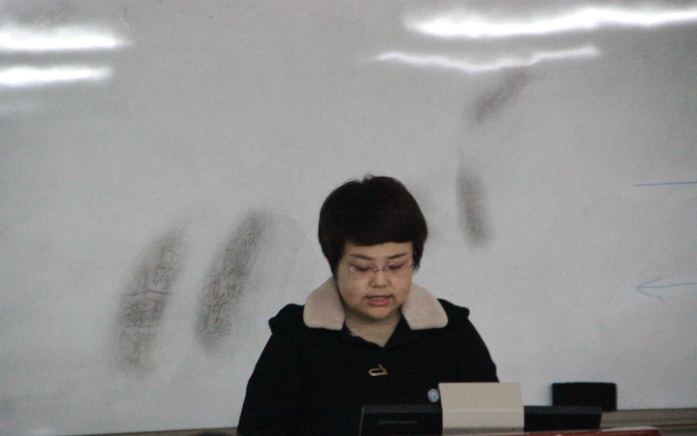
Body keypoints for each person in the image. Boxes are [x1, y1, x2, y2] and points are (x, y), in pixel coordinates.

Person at [237, 175, 498, 436]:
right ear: (334, 263)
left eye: (396, 265)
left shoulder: (452, 331)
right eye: (362, 268)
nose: (380, 281)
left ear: (414, 260)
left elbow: (493, 426)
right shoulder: (296, 337)